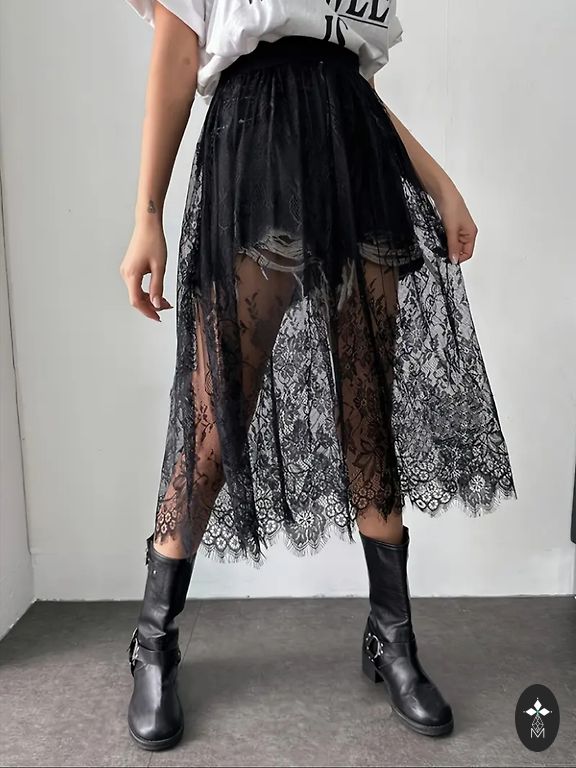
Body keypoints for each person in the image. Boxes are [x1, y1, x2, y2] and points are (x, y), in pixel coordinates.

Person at [120, 0, 517, 751]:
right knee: (215, 418)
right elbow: (178, 54)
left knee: (368, 409)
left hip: (357, 153)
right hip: (257, 140)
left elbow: (349, 78)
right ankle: (153, 640)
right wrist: (147, 216)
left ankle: (392, 638)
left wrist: (438, 182)